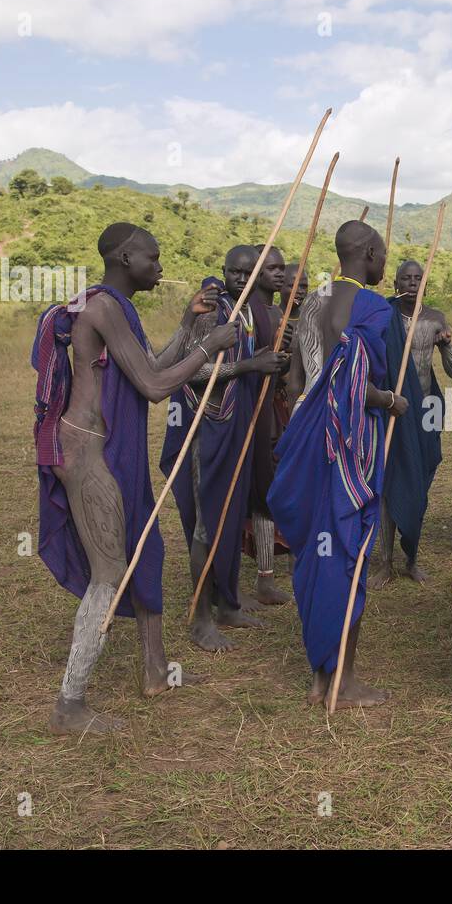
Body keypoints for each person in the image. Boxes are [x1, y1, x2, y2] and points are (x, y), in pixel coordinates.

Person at [33, 222, 236, 733]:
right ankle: (68, 705)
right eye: (153, 257)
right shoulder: (100, 306)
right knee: (109, 573)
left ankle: (154, 669)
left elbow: (152, 365)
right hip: (88, 455)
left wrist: (191, 331)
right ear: (125, 256)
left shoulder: (116, 309)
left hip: (110, 451)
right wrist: (211, 347)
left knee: (147, 550)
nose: (160, 266)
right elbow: (152, 386)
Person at [268, 221, 409, 709]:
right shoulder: (373, 308)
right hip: (347, 442)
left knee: (316, 551)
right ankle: (343, 681)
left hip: (307, 432)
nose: (385, 264)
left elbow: (301, 378)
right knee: (348, 551)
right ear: (368, 251)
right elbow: (355, 387)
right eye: (384, 254)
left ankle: (318, 678)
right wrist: (391, 400)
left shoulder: (314, 299)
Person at [160, 245, 288, 652]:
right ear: (225, 272)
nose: (240, 278)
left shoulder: (251, 313)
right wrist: (251, 366)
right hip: (210, 429)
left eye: (247, 272)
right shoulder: (217, 311)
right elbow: (194, 371)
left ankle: (227, 603)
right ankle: (200, 618)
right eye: (234, 271)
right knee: (207, 523)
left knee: (232, 518)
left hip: (238, 427)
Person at [369, 259, 452, 588]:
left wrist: (446, 345)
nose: (410, 282)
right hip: (393, 409)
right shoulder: (383, 316)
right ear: (395, 282)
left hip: (425, 408)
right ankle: (385, 562)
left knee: (418, 487)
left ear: (424, 283)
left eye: (416, 278)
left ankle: (412, 559)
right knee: (389, 486)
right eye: (405, 277)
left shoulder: (435, 319)